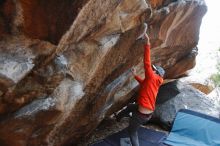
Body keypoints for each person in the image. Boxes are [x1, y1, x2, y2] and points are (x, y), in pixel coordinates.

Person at [115, 24, 165, 146]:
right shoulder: (154, 82)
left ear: (156, 73)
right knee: (131, 106)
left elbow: (147, 63)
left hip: (141, 115)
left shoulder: (153, 76)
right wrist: (135, 75)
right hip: (146, 113)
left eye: (154, 70)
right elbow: (143, 84)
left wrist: (147, 43)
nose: (152, 70)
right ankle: (118, 118)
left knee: (132, 132)